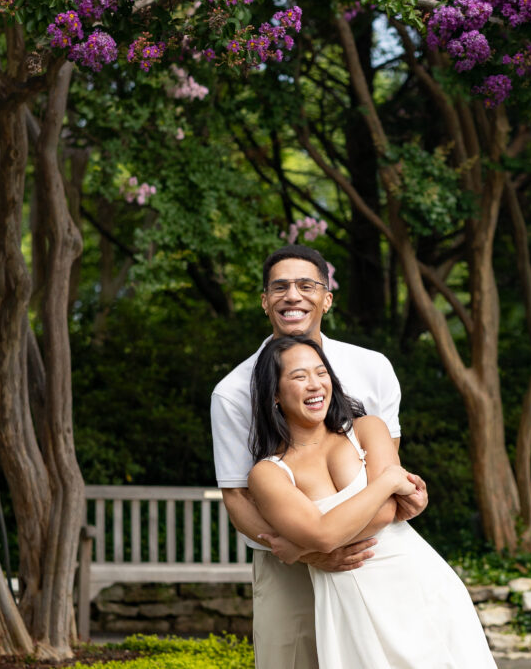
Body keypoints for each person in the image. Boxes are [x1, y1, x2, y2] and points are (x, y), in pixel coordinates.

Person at [211, 245, 427, 668]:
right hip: (284, 561)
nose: (293, 296)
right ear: (264, 301)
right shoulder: (233, 391)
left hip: (375, 553)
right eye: (280, 287)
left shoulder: (373, 368)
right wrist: (303, 548)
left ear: (327, 298)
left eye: (306, 285)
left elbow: (386, 475)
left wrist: (406, 502)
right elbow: (237, 497)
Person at [247, 335, 495, 669]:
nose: (314, 384)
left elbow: (387, 511)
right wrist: (389, 481)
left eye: (321, 373)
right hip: (347, 606)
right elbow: (323, 535)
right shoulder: (268, 474)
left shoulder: (368, 428)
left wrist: (301, 549)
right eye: (299, 376)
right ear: (274, 394)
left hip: (418, 584)